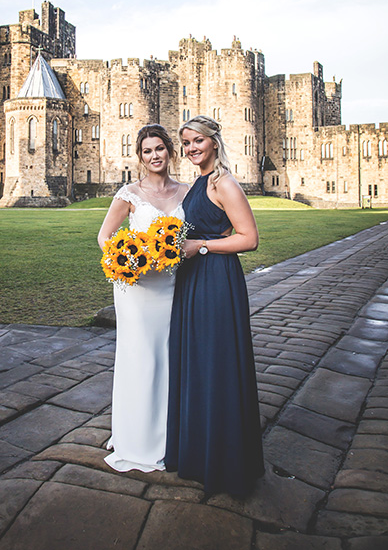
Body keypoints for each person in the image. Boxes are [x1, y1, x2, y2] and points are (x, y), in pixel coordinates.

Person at [165, 115, 264, 496]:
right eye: (186, 143)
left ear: (214, 143)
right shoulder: (199, 182)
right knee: (198, 364)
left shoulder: (224, 182)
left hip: (216, 281)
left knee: (217, 363)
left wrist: (200, 246)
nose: (191, 149)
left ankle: (225, 462)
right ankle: (199, 453)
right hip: (194, 280)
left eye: (197, 141)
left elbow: (249, 238)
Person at [98, 124, 189, 472]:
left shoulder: (187, 191)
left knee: (169, 356)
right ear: (140, 157)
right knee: (140, 358)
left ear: (170, 151)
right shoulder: (129, 193)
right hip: (136, 290)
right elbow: (105, 237)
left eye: (160, 149)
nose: (155, 156)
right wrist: (128, 262)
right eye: (147, 151)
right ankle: (135, 437)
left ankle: (170, 434)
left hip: (174, 285)